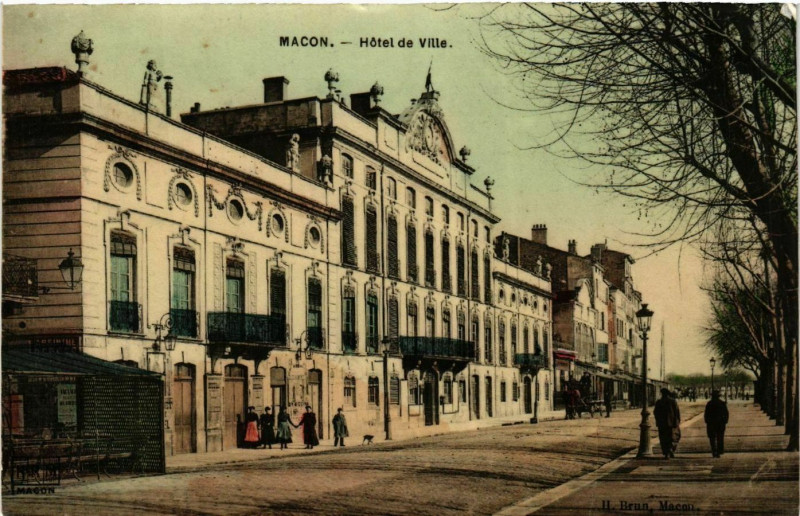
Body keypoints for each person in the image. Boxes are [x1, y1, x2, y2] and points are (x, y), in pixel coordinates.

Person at [653, 388, 681, 459]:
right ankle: (670, 450)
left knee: (663, 438)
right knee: (674, 437)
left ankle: (667, 452)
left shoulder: (659, 402)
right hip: (671, 423)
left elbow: (655, 412)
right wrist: (677, 421)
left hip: (662, 424)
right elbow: (677, 412)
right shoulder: (673, 401)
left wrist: (658, 420)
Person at [704, 390, 729, 458]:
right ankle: (719, 450)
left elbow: (706, 414)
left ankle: (714, 451)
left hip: (711, 423)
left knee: (712, 438)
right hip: (720, 423)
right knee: (720, 437)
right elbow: (726, 413)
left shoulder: (709, 404)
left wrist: (707, 421)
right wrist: (725, 421)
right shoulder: (722, 403)